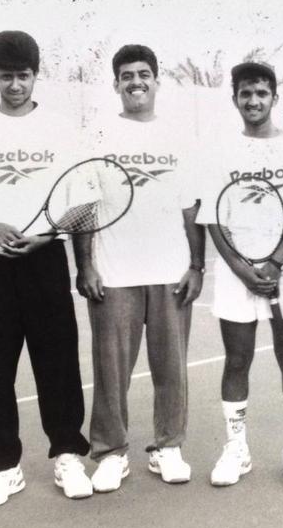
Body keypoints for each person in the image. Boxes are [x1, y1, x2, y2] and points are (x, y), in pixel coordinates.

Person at [0, 31, 93, 504]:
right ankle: (2, 465)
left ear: (35, 75)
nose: (15, 85)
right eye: (6, 76)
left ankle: (67, 454)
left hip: (45, 260)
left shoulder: (62, 130)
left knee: (58, 364)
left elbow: (84, 202)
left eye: (23, 76)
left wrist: (46, 235)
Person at [75, 44, 205, 491]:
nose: (136, 82)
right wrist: (85, 265)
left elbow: (191, 209)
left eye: (144, 74)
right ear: (116, 84)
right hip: (114, 274)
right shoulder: (97, 135)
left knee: (172, 370)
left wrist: (197, 265)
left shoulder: (178, 137)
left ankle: (168, 447)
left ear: (156, 81)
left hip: (171, 273)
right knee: (111, 373)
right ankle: (111, 453)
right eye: (127, 75)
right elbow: (85, 207)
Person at [197, 61, 283, 487]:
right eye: (245, 93)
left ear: (274, 98)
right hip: (237, 273)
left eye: (261, 93)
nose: (253, 100)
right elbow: (212, 218)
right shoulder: (219, 152)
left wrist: (276, 262)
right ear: (234, 99)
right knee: (237, 359)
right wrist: (241, 268)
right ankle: (236, 449)